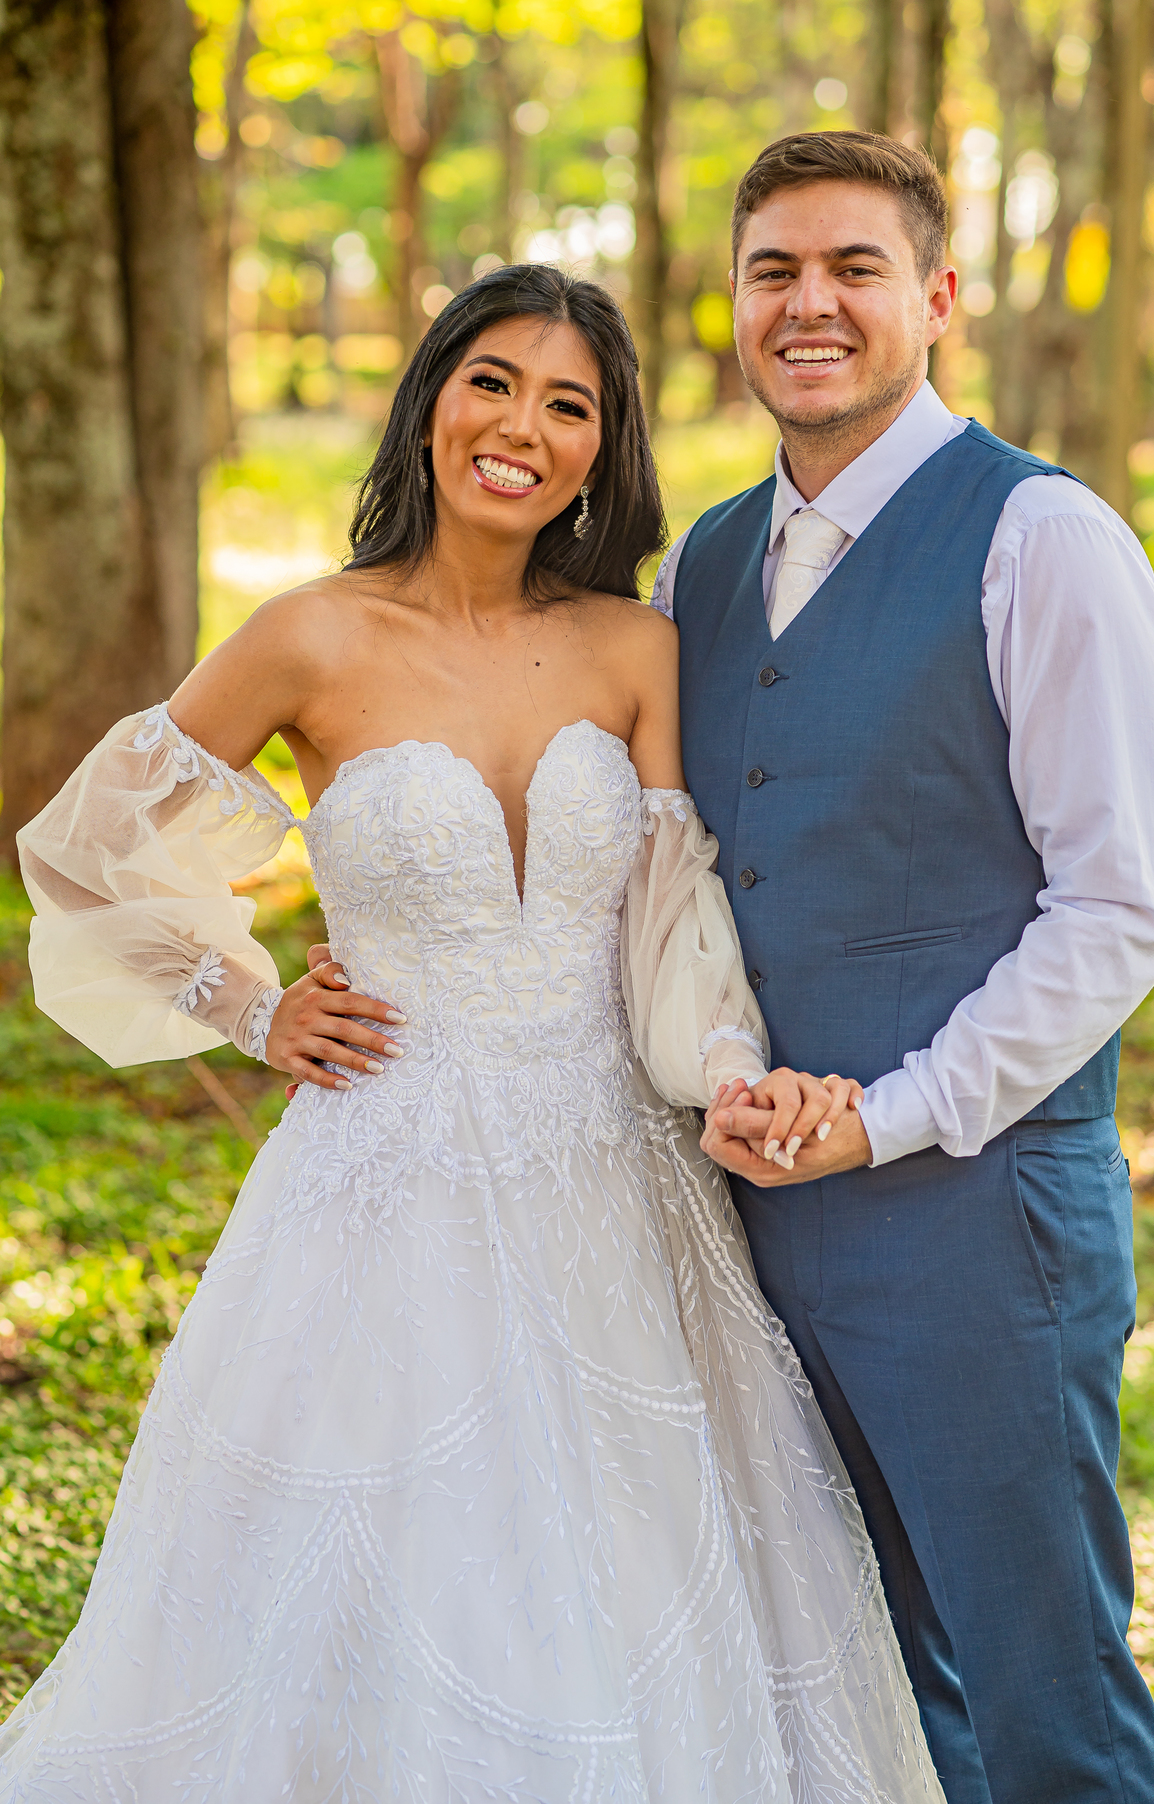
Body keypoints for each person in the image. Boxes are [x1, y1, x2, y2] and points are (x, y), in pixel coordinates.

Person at [1, 265, 943, 1803]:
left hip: (619, 1186)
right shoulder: (310, 637)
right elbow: (89, 855)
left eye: (569, 404)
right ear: (431, 397)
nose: (523, 426)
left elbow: (674, 919)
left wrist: (723, 1071)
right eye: (493, 381)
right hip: (386, 1172)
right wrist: (252, 1005)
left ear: (602, 451)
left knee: (630, 1560)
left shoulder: (636, 647)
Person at [646, 132, 1154, 1804]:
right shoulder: (700, 566)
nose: (809, 305)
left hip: (977, 1224)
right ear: (733, 307)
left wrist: (893, 1114)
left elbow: (1117, 911)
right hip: (751, 1220)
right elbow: (683, 881)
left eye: (853, 269)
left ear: (937, 299)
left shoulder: (1045, 540)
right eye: (772, 272)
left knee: (1045, 1703)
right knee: (858, 1692)